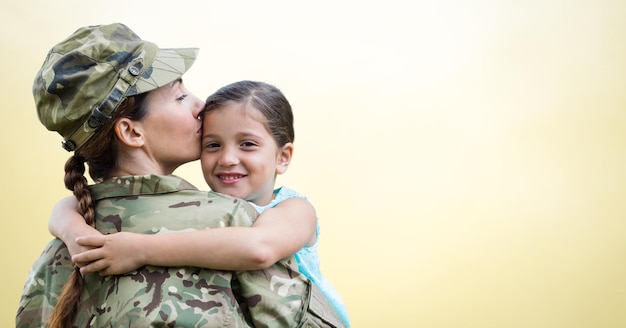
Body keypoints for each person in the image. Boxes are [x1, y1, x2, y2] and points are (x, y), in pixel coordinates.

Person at [16, 23, 344, 328]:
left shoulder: (59, 253)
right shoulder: (231, 221)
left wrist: (74, 232)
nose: (201, 105)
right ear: (131, 132)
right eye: (180, 95)